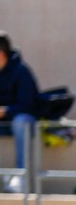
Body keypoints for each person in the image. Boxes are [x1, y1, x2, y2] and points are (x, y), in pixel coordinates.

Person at [0, 32, 41, 194]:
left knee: (22, 121)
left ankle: (21, 178)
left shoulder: (21, 71)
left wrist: (6, 111)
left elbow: (28, 104)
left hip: (18, 119)